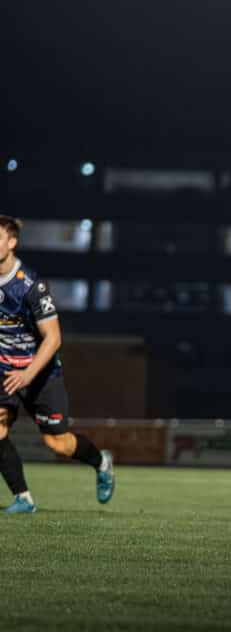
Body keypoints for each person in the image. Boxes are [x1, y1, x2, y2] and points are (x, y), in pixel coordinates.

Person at [0, 215, 114, 514]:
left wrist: (28, 374)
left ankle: (101, 462)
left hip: (40, 372)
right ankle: (23, 498)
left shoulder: (31, 286)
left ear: (12, 243)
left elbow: (53, 338)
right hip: (3, 368)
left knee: (58, 444)